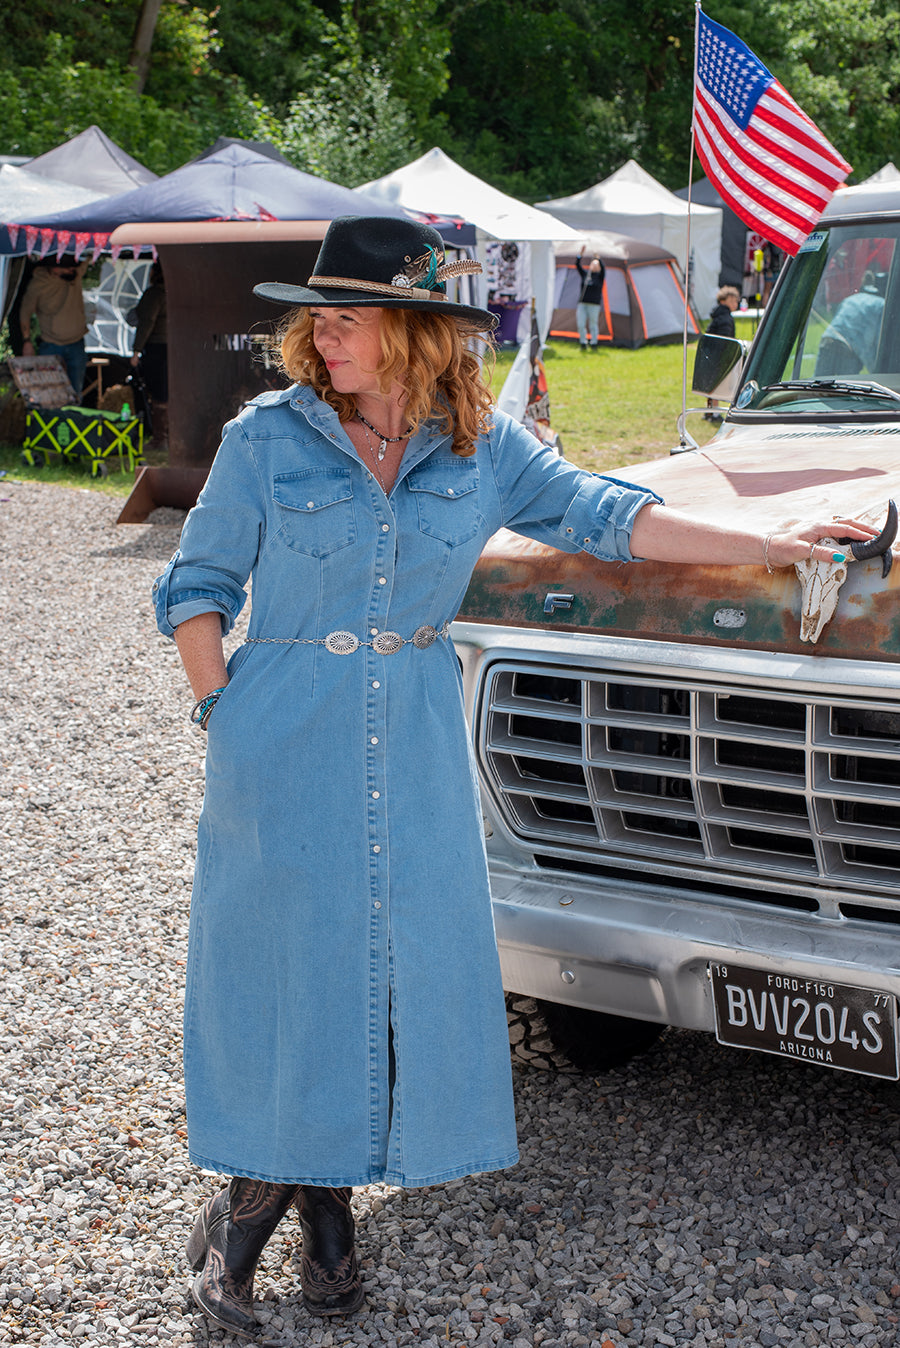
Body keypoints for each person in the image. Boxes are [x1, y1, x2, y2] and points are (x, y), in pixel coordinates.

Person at [152, 215, 872, 1341]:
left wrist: (770, 534)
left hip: (418, 734)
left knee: (385, 969)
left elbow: (610, 515)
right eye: (317, 317)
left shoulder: (485, 447)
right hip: (281, 726)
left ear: (418, 333)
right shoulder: (266, 438)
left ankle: (324, 1217)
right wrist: (223, 709)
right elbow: (193, 583)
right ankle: (256, 1214)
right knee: (283, 963)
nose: (321, 336)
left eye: (349, 317)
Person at [19, 254, 89, 396]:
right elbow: (24, 313)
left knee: (75, 393)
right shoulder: (38, 284)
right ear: (55, 269)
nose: (72, 269)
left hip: (76, 342)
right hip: (51, 344)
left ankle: (73, 418)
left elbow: (89, 255)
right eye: (68, 267)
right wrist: (27, 341)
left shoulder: (74, 274)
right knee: (50, 393)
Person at [815, 272, 886, 377]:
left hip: (828, 340)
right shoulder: (881, 305)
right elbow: (874, 342)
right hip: (848, 348)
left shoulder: (850, 300)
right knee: (845, 388)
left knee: (817, 388)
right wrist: (876, 372)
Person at [130, 261, 168, 442]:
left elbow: (146, 323)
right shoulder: (176, 293)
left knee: (159, 393)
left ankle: (160, 438)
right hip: (173, 348)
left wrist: (136, 351)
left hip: (157, 348)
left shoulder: (155, 294)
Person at [704, 284, 741, 422]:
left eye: (735, 301)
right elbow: (725, 340)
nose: (735, 303)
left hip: (711, 353)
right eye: (732, 301)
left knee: (711, 384)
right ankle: (714, 414)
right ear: (723, 301)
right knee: (718, 384)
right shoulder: (725, 318)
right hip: (719, 356)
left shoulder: (718, 315)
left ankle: (709, 411)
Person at [575, 245, 605, 349]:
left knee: (593, 324)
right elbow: (577, 265)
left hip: (594, 305)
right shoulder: (585, 275)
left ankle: (594, 343)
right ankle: (583, 342)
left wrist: (597, 258)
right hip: (582, 303)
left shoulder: (600, 277)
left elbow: (603, 268)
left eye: (596, 265)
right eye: (593, 264)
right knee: (581, 324)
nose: (594, 266)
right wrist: (581, 254)